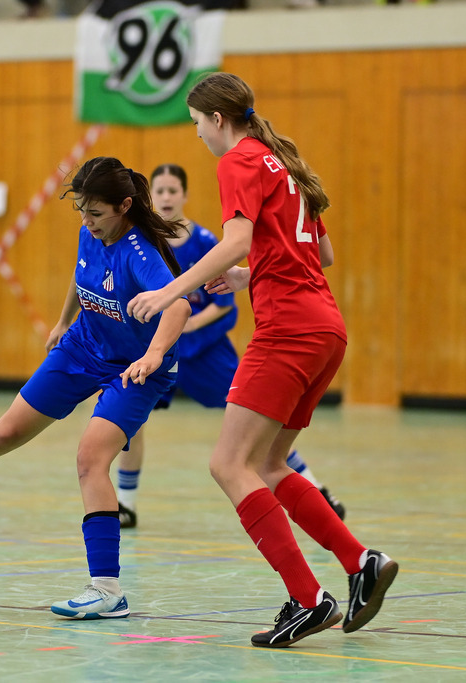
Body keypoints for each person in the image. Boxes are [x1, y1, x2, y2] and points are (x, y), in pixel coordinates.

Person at [127, 72, 398, 647]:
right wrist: (248, 276)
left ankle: (309, 599)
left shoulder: (239, 161)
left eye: (197, 124)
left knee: (229, 465)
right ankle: (361, 563)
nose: (198, 135)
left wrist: (170, 291)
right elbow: (320, 252)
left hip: (287, 331)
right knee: (270, 465)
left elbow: (237, 239)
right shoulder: (284, 163)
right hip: (325, 328)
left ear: (217, 119)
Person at [0, 156, 191, 620]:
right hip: (84, 345)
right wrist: (64, 321)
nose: (87, 221)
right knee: (5, 431)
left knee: (90, 459)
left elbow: (178, 306)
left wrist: (154, 354)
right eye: (82, 211)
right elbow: (81, 273)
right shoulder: (91, 231)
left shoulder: (140, 253)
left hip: (137, 369)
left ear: (124, 206)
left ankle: (107, 591)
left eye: (96, 213)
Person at [115, 163, 346, 529]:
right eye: (160, 191)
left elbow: (224, 303)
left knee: (260, 423)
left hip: (203, 353)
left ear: (185, 195)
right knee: (129, 418)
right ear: (150, 197)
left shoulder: (207, 242)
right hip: (157, 351)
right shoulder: (141, 243)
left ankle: (315, 490)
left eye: (173, 190)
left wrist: (189, 322)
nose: (166, 197)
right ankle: (125, 503)